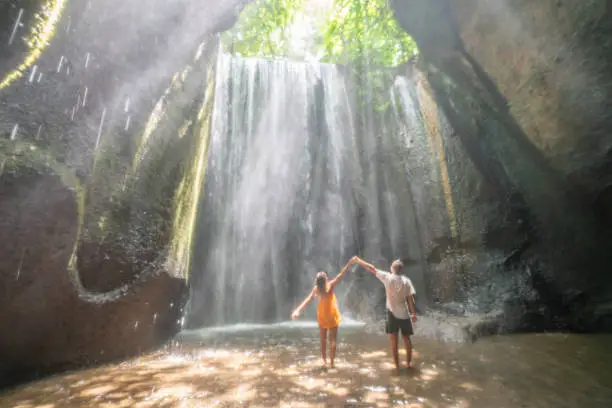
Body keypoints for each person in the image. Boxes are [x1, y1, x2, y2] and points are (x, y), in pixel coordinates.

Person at [291, 257, 357, 368]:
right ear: (325, 280)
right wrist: (349, 263)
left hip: (322, 316)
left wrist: (298, 310)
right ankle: (332, 362)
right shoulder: (330, 285)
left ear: (317, 282)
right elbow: (341, 274)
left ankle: (324, 360)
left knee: (323, 340)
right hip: (332, 316)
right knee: (333, 340)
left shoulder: (316, 289)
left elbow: (308, 300)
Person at [353, 257, 417, 371]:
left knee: (394, 341)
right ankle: (408, 363)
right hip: (404, 314)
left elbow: (371, 268)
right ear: (401, 270)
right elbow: (411, 299)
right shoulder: (407, 281)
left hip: (392, 313)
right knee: (407, 339)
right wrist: (413, 314)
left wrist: (359, 261)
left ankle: (396, 365)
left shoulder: (387, 277)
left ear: (392, 268)